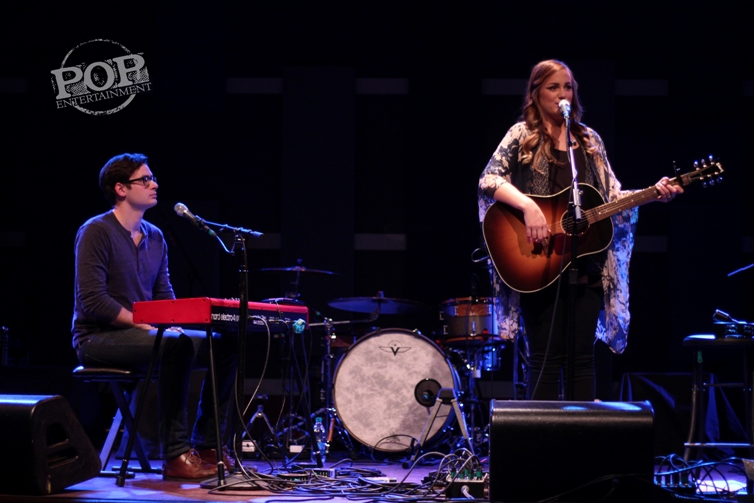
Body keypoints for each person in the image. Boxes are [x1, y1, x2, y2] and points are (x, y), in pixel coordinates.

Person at [478, 60, 682, 401]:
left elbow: (612, 197)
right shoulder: (521, 135)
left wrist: (652, 194)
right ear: (535, 93)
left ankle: (579, 446)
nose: (562, 94)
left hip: (583, 266)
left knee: (582, 360)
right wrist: (528, 207)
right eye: (553, 87)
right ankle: (540, 447)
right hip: (538, 262)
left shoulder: (588, 141)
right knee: (544, 358)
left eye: (568, 87)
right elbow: (489, 179)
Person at [72, 153, 238, 481]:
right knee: (175, 345)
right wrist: (147, 325)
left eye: (153, 178)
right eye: (144, 179)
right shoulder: (96, 231)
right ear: (120, 188)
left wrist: (172, 320)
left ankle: (208, 445)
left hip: (146, 334)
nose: (154, 184)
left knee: (225, 344)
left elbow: (164, 293)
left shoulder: (156, 236)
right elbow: (92, 300)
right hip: (97, 338)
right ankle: (174, 454)